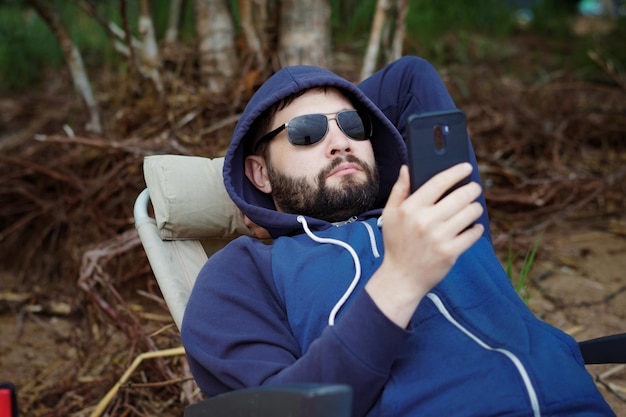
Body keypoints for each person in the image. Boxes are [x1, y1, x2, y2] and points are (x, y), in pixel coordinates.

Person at [181, 56, 614, 416]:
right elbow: (281, 408)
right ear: (259, 172)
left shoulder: (440, 214)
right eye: (306, 133)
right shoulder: (243, 272)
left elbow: (412, 77)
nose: (340, 144)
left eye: (354, 125)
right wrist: (399, 282)